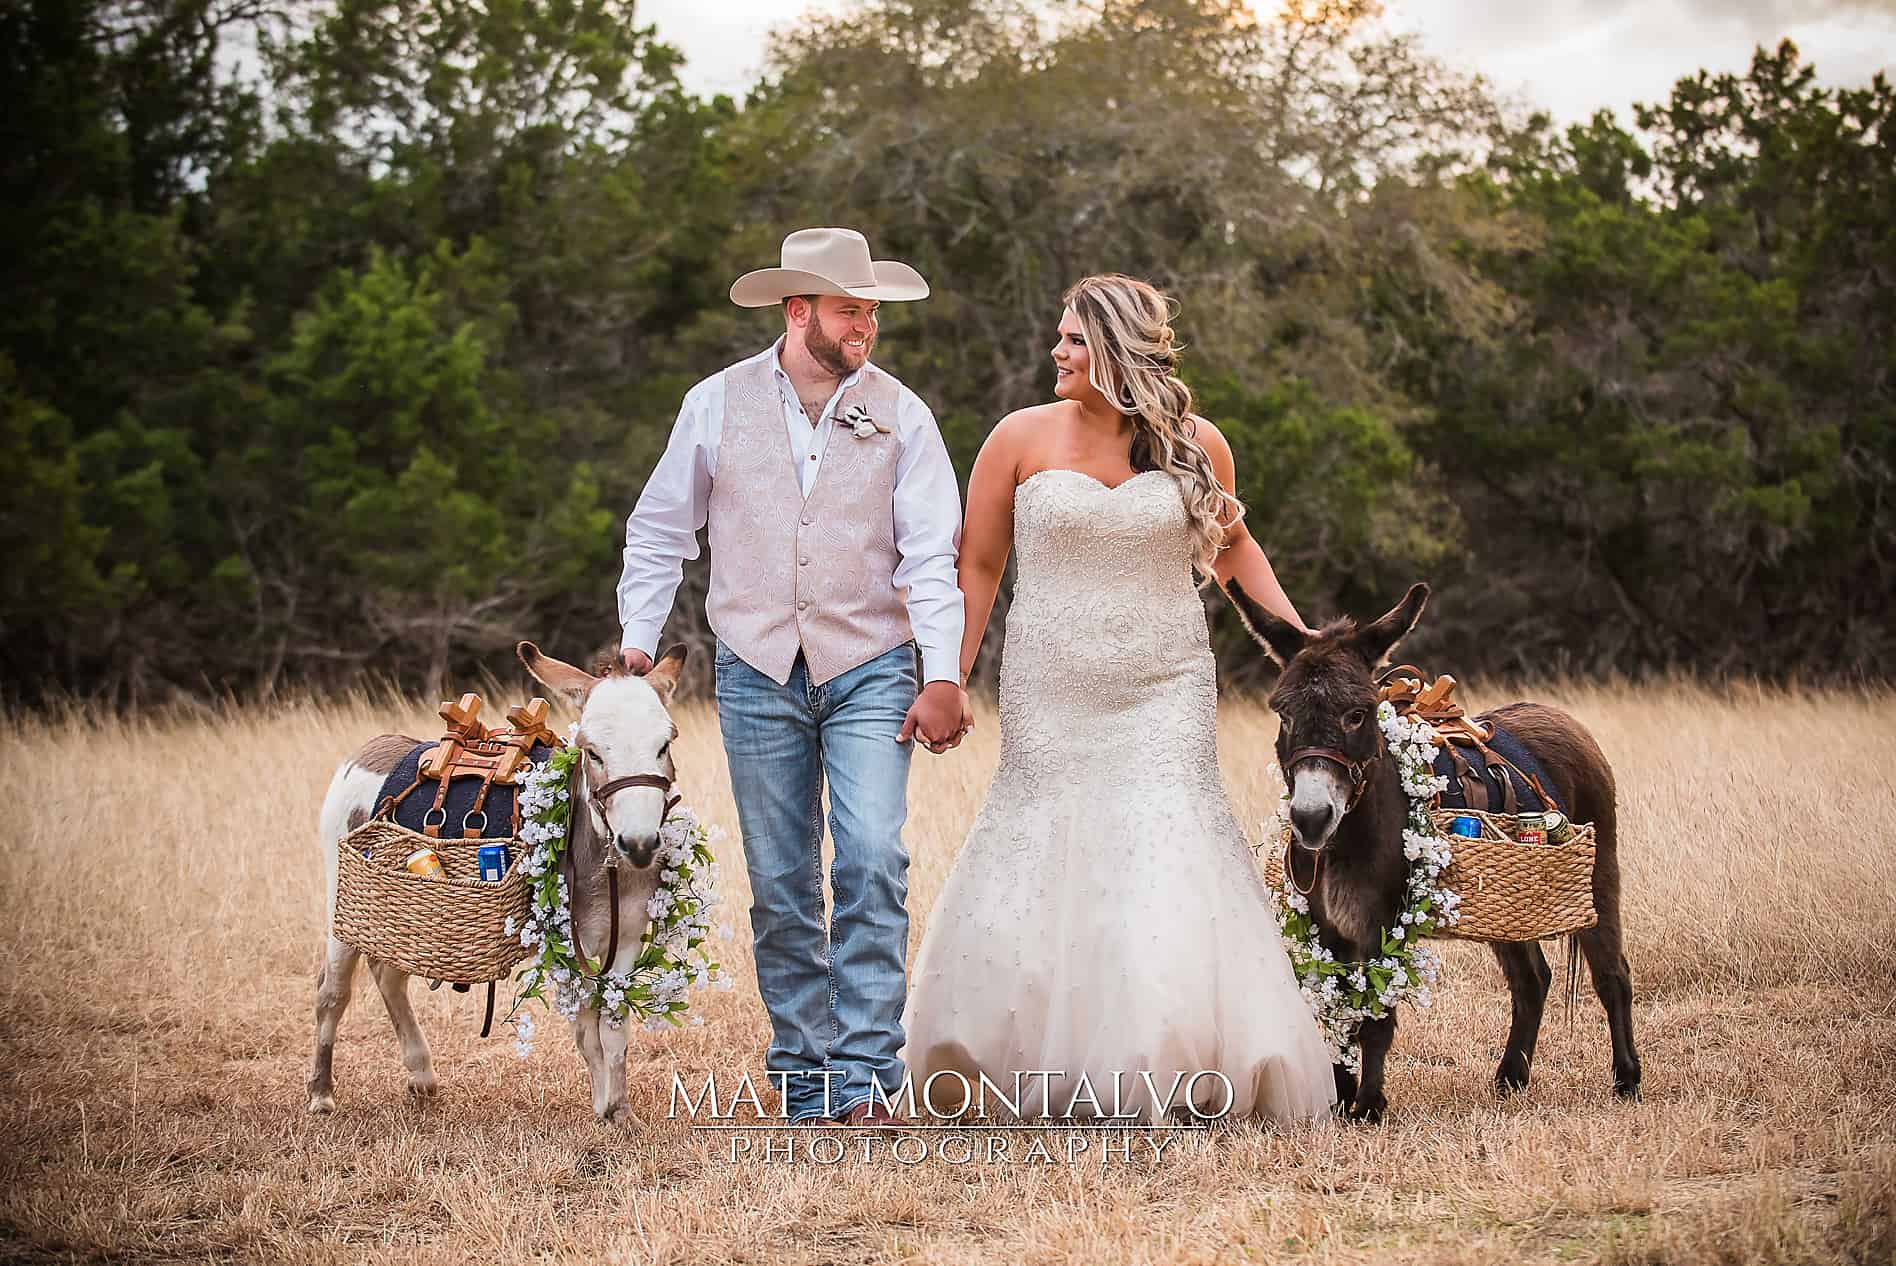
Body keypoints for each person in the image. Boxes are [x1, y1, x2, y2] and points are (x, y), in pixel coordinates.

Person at [902, 273, 1336, 1123]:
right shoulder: (1017, 438)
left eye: (1073, 340)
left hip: (1164, 683)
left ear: (1119, 351)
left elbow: (1236, 552)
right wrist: (946, 678)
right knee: (1044, 843)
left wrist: (1312, 651)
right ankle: (1027, 1059)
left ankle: (1169, 1063)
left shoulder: (1195, 444)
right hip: (1051, 683)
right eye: (1059, 336)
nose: (1055, 353)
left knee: (1165, 842)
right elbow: (978, 565)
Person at [616, 227, 971, 1125]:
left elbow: (932, 555)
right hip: (756, 669)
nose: (866, 325)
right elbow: (662, 528)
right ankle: (806, 1082)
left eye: (872, 310)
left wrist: (941, 672)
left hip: (873, 667)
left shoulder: (905, 414)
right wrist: (635, 638)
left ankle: (865, 1081)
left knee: (871, 860)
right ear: (798, 309)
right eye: (851, 308)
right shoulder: (715, 403)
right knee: (780, 883)